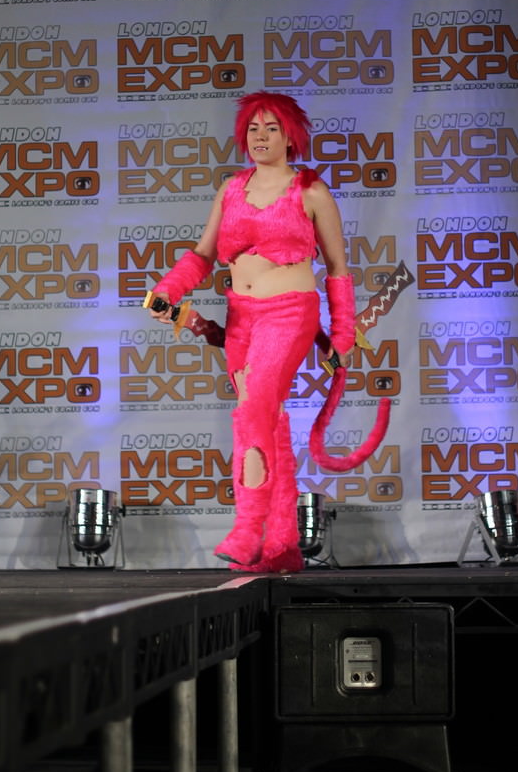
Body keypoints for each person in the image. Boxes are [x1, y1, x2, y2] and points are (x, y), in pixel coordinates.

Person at [147, 91, 388, 573]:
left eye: (271, 128)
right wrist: (169, 290)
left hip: (289, 313)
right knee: (269, 422)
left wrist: (342, 333)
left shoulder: (311, 192)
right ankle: (280, 545)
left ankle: (247, 527)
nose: (260, 137)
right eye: (253, 128)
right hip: (242, 316)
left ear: (290, 137)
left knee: (253, 410)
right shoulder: (231, 189)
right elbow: (203, 255)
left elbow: (338, 269)